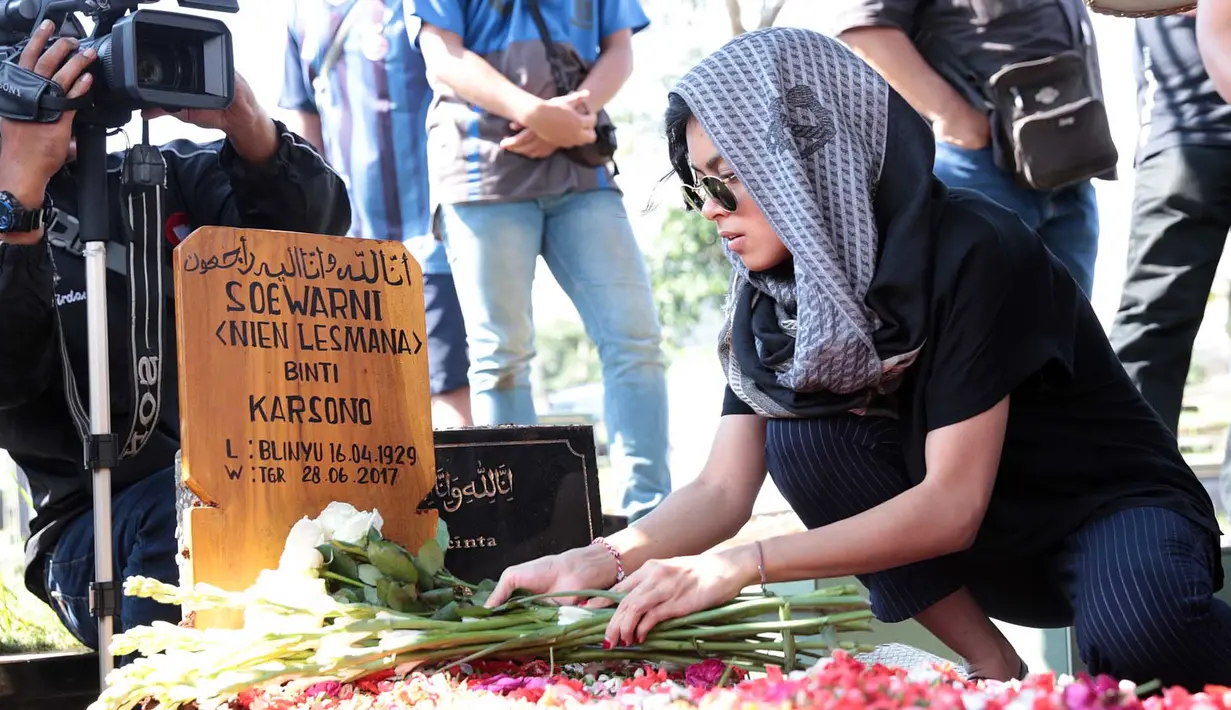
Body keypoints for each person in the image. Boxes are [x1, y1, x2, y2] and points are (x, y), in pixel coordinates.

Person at [484, 27, 1231, 689]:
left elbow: (950, 505)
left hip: (1108, 515)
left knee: (1140, 638)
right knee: (805, 440)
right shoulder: (773, 298)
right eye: (695, 184)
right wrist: (599, 560)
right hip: (984, 557)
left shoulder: (977, 247)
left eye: (727, 178)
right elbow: (721, 488)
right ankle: (991, 669)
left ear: (807, 155)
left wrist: (745, 563)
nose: (710, 207)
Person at [0, 21, 350, 651]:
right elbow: (8, 379)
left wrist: (241, 115)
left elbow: (315, 242)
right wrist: (18, 194)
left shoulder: (165, 178)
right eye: (32, 76)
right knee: (180, 508)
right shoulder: (9, 219)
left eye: (68, 69)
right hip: (88, 532)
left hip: (240, 487)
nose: (58, 90)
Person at [410, 0, 672, 521]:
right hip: (482, 169)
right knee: (501, 358)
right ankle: (522, 529)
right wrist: (533, 114)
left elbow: (618, 45)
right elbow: (441, 53)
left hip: (581, 168)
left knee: (635, 341)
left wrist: (575, 114)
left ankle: (655, 518)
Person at [828, 0, 1111, 298]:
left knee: (1070, 337)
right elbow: (865, 30)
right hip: (979, 167)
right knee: (982, 329)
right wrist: (952, 116)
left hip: (1071, 169)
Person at [281, 0, 473, 429]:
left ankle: (462, 496)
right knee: (358, 399)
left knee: (446, 392)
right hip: (348, 253)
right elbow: (302, 125)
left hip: (434, 238)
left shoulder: (425, 5)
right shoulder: (302, 14)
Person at [1108, 13, 1231, 521]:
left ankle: (1128, 500)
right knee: (1151, 330)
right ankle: (1128, 502)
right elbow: (1218, 30)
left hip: (1183, 139)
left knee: (1150, 329)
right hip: (1189, 138)